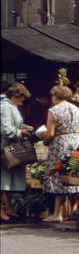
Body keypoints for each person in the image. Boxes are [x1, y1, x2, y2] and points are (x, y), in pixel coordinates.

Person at [42, 85, 79, 223]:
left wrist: (45, 141)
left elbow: (50, 133)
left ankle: (57, 214)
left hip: (61, 142)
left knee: (58, 175)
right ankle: (75, 212)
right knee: (74, 174)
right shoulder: (76, 108)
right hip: (76, 141)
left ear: (55, 96)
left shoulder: (54, 110)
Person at [1, 83, 33, 221]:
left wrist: (24, 127)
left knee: (8, 180)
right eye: (21, 98)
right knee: (2, 180)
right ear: (14, 96)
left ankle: (9, 207)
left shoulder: (12, 106)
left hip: (11, 147)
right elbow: (6, 129)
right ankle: (2, 210)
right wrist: (21, 132)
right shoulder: (4, 107)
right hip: (4, 148)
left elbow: (15, 124)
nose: (21, 102)